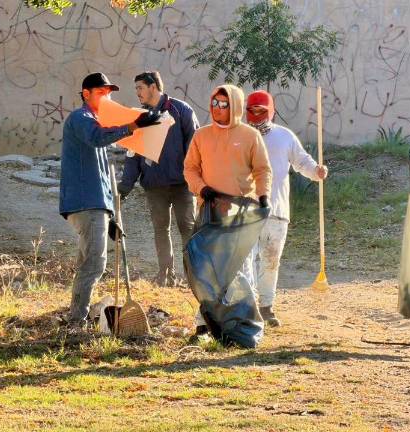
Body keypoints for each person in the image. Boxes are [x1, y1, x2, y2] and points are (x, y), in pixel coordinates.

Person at [59, 72, 161, 327]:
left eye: (109, 93)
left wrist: (111, 216)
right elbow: (96, 138)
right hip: (85, 202)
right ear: (86, 94)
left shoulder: (95, 120)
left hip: (94, 204)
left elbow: (104, 178)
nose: (107, 97)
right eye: (101, 92)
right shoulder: (81, 118)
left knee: (88, 263)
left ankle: (76, 317)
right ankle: (76, 321)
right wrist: (134, 125)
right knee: (94, 264)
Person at [183, 84, 273, 339]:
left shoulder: (249, 135)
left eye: (223, 104)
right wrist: (202, 189)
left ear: (234, 106)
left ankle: (243, 326)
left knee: (238, 269)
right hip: (208, 211)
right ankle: (204, 324)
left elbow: (262, 169)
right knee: (205, 269)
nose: (217, 109)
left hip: (238, 213)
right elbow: (189, 169)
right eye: (214, 103)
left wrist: (263, 195)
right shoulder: (201, 135)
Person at [245, 90, 328, 327]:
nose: (256, 115)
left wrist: (316, 171)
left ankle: (266, 306)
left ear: (270, 111)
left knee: (271, 260)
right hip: (247, 210)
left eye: (261, 111)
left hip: (277, 211)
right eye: (251, 110)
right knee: (247, 260)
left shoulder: (284, 136)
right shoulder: (240, 136)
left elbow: (302, 161)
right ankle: (249, 307)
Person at [117, 71, 200, 286]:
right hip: (154, 186)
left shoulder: (181, 110)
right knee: (160, 229)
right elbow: (132, 157)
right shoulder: (139, 118)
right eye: (136, 89)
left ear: (153, 87)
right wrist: (124, 188)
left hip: (183, 185)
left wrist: (196, 180)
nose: (137, 93)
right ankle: (166, 275)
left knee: (188, 229)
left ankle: (194, 276)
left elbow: (195, 147)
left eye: (140, 88)